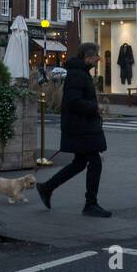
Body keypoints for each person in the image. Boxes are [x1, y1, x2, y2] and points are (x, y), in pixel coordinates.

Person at [36, 42, 112, 217]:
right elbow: (73, 102)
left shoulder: (79, 73)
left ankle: (47, 187)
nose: (98, 59)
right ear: (87, 58)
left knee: (79, 163)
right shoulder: (78, 75)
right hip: (81, 127)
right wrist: (95, 108)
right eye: (95, 57)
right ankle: (90, 204)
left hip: (80, 126)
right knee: (94, 162)